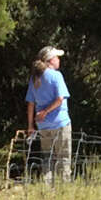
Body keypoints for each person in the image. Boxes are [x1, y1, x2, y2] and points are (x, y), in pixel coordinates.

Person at [25, 46, 71, 183]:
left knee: (47, 158)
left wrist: (30, 125)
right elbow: (60, 99)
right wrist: (46, 112)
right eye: (57, 57)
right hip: (60, 123)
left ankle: (47, 187)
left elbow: (30, 104)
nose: (58, 60)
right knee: (63, 157)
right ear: (51, 60)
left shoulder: (35, 78)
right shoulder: (57, 76)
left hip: (43, 125)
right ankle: (64, 187)